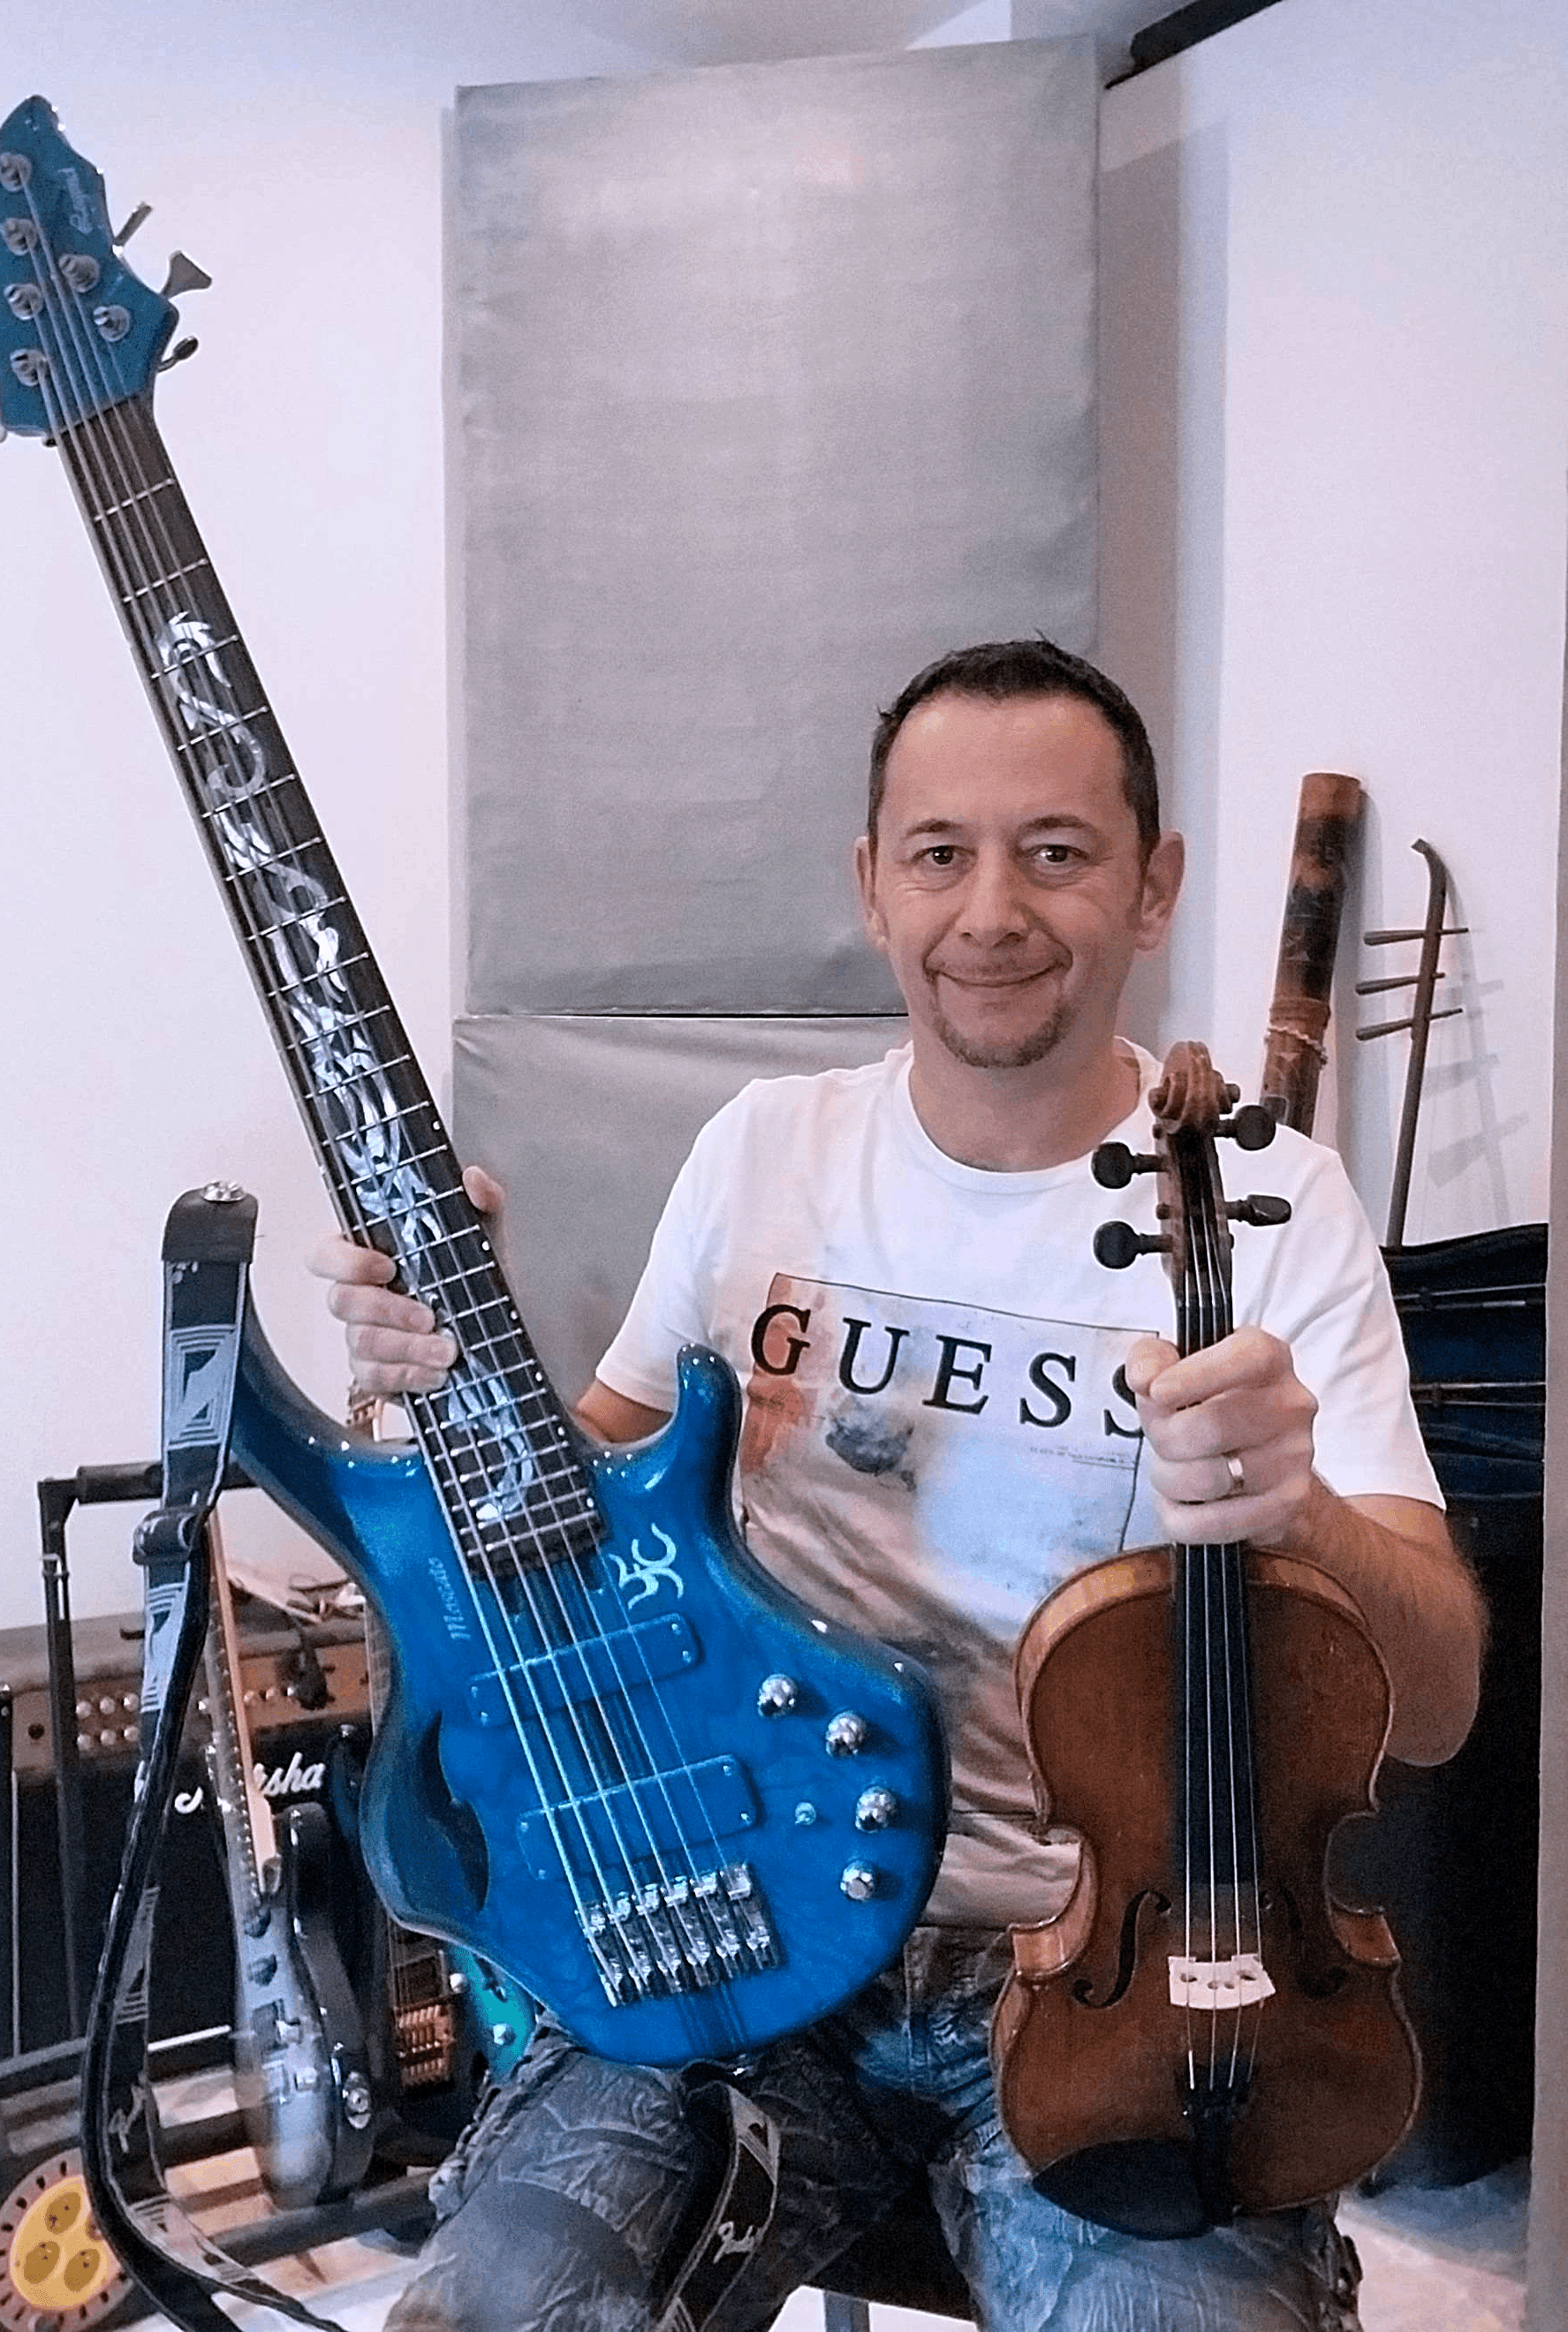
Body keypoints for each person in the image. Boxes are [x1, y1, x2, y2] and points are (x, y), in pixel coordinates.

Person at [312, 640, 1485, 2332]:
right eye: (940, 853)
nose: (990, 909)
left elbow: (1436, 1699)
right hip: (739, 1919)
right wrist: (451, 1379)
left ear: (1152, 889)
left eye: (1057, 851)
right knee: (500, 2302)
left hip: (1112, 1996)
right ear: (873, 888)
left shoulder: (1277, 1207)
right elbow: (589, 1529)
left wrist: (1295, 1505)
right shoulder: (762, 1153)